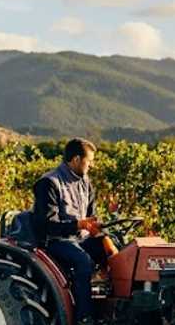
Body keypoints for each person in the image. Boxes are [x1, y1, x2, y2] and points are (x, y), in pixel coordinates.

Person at [33, 138, 107, 325]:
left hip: (79, 238)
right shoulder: (49, 183)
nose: (92, 165)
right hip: (56, 241)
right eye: (89, 161)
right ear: (75, 159)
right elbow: (47, 226)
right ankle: (83, 316)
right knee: (83, 260)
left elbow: (91, 216)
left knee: (115, 248)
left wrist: (101, 234)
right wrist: (78, 225)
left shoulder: (85, 182)